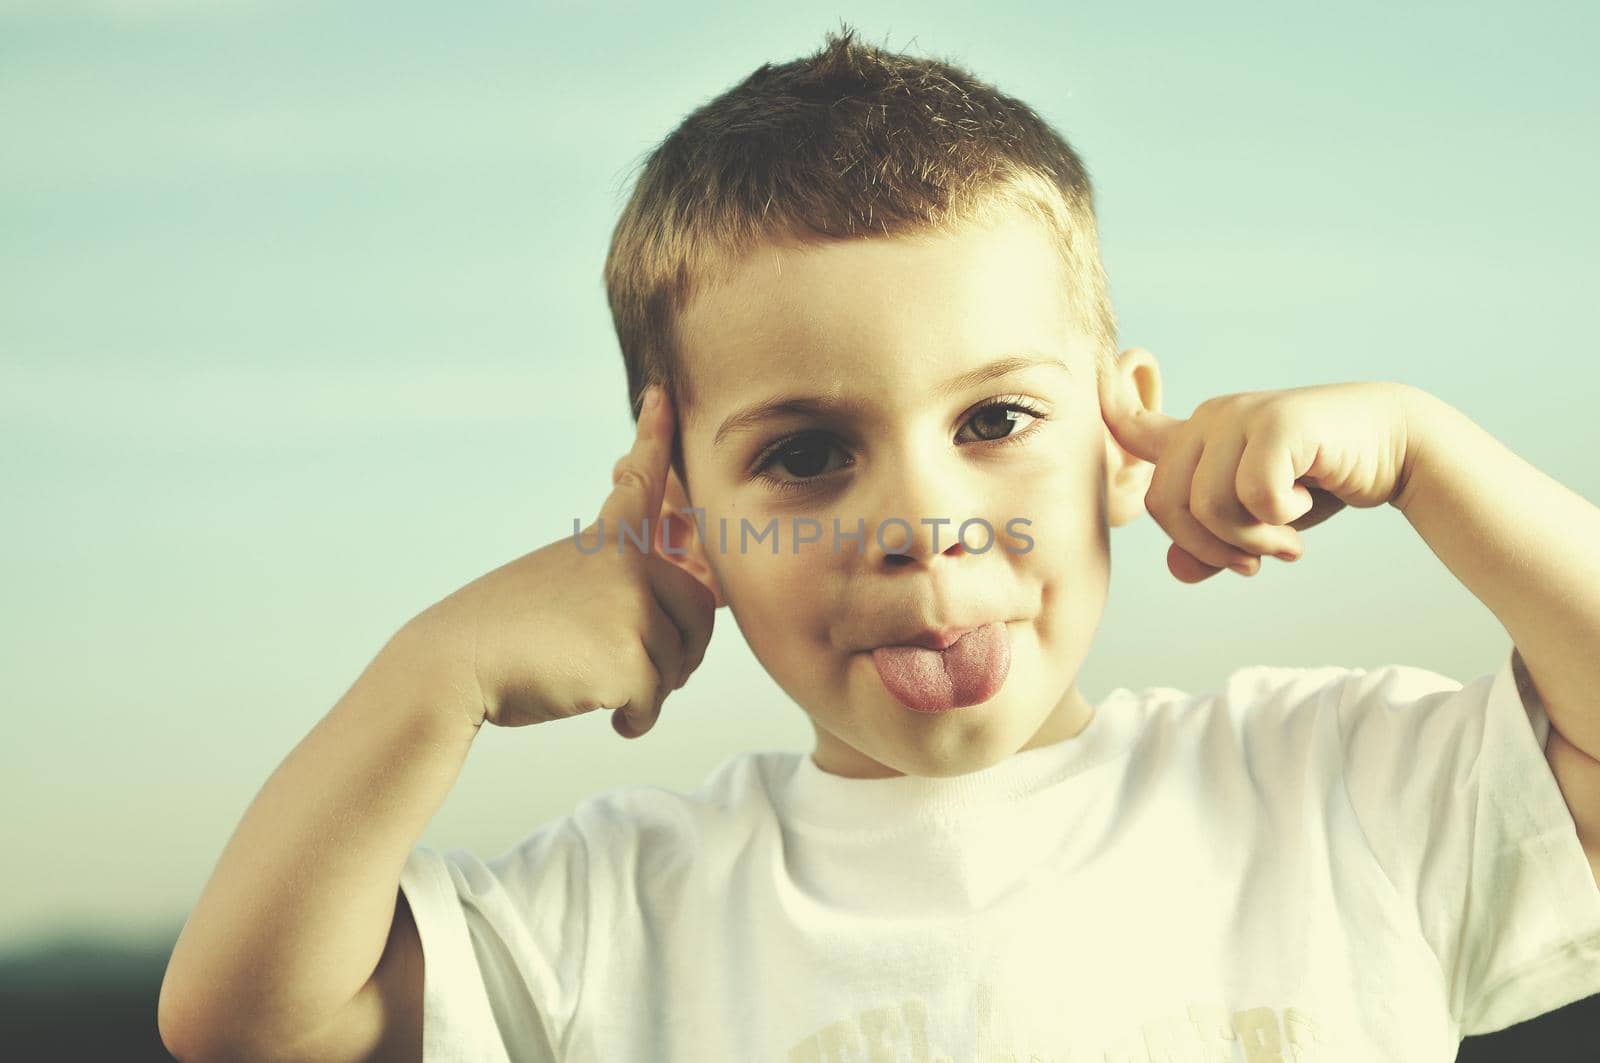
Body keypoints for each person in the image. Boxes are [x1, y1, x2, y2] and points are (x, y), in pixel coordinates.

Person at [157, 23, 1600, 1063]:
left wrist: (1427, 451)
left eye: (995, 421)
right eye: (805, 453)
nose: (923, 527)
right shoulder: (631, 909)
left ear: (1122, 433)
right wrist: (440, 672)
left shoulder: (1327, 791)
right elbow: (247, 1021)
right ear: (682, 524)